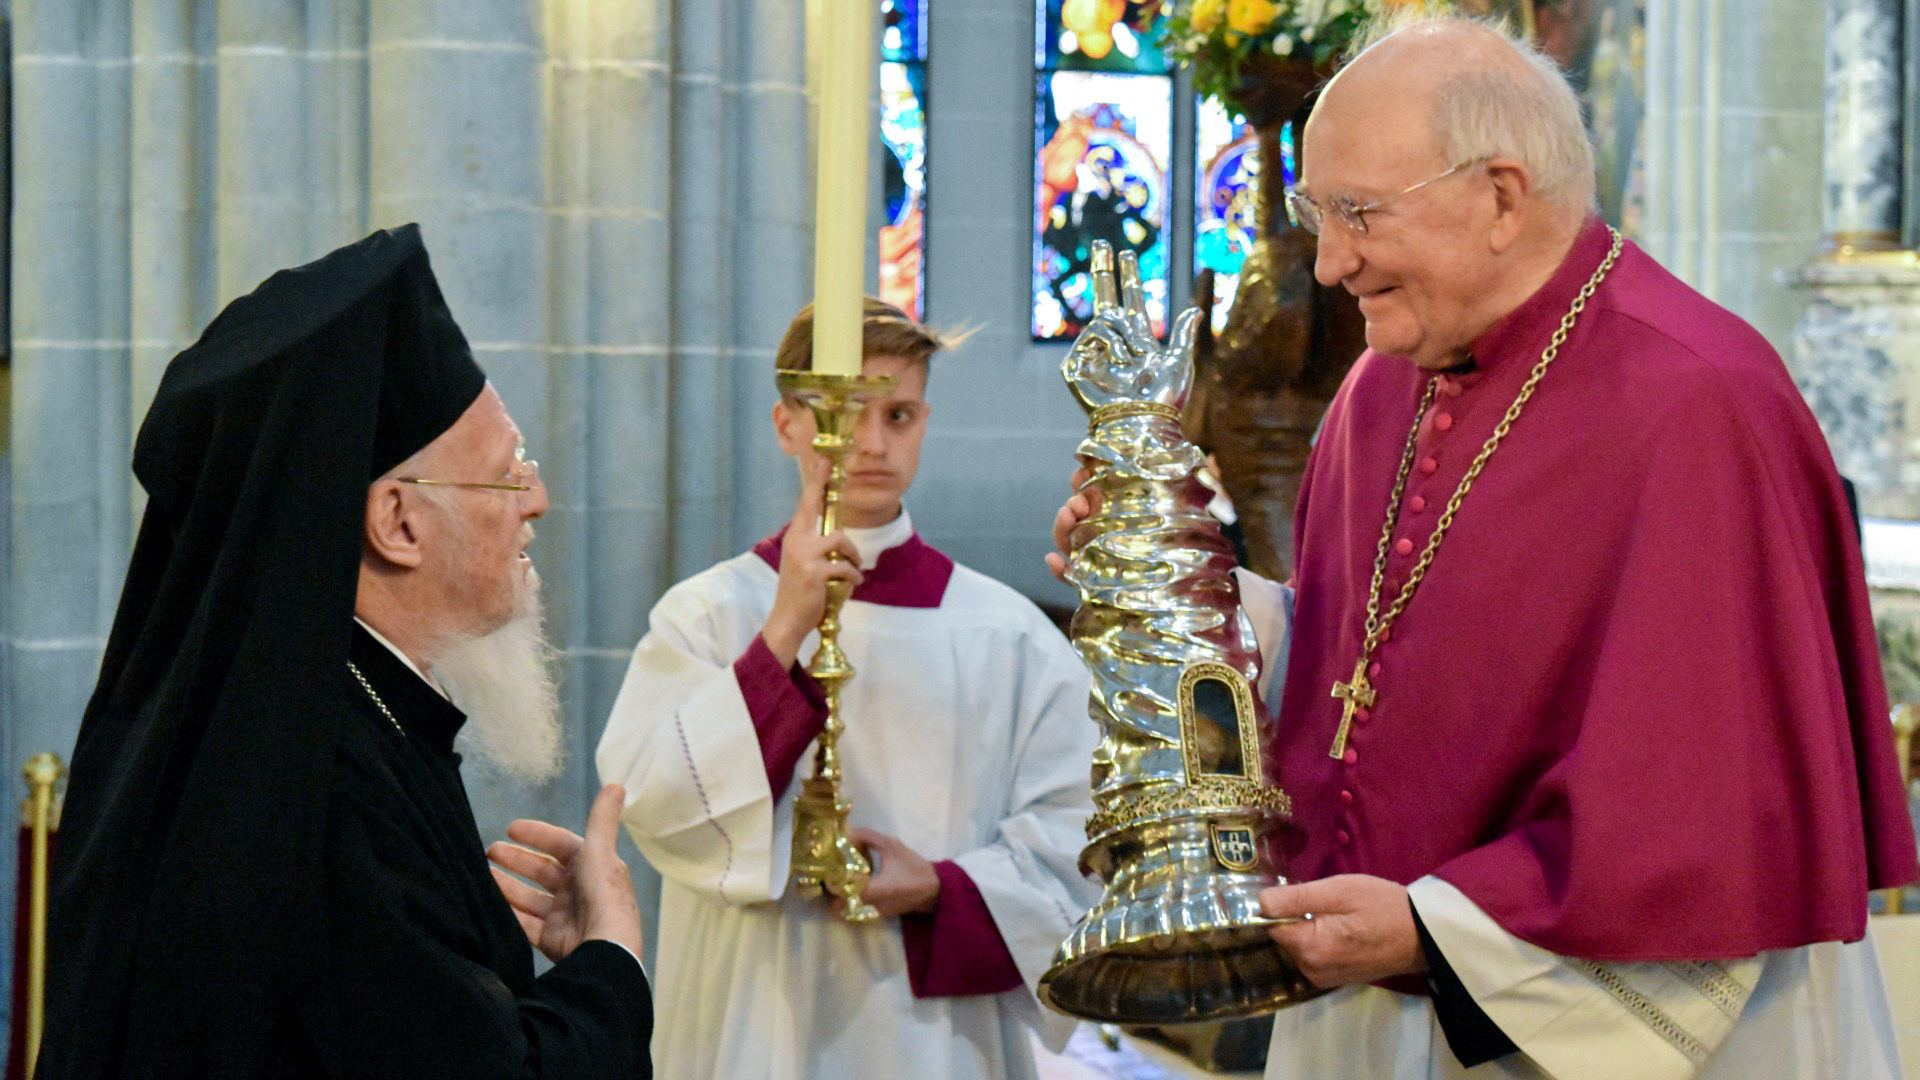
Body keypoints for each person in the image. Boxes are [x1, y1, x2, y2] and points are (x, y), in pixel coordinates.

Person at [1051, 16, 1917, 1079]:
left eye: (1358, 214)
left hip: (1589, 1023)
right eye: (1315, 215)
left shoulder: (1698, 405)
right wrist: (1181, 587)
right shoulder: (1381, 388)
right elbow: (1356, 655)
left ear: (1503, 196)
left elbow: (1700, 814)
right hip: (1366, 1004)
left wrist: (1436, 929)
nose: (1329, 265)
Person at [40, 225, 654, 1079]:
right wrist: (611, 961)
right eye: (509, 469)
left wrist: (475, 949)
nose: (538, 499)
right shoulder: (320, 787)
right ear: (398, 522)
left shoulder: (318, 717)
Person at [597, 299, 1097, 1080]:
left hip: (935, 1040)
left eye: (898, 414)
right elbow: (658, 806)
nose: (872, 443)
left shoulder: (1010, 634)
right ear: (785, 424)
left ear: (925, 421)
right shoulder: (704, 615)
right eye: (846, 411)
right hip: (752, 1017)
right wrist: (781, 635)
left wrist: (942, 887)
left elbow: (1078, 842)